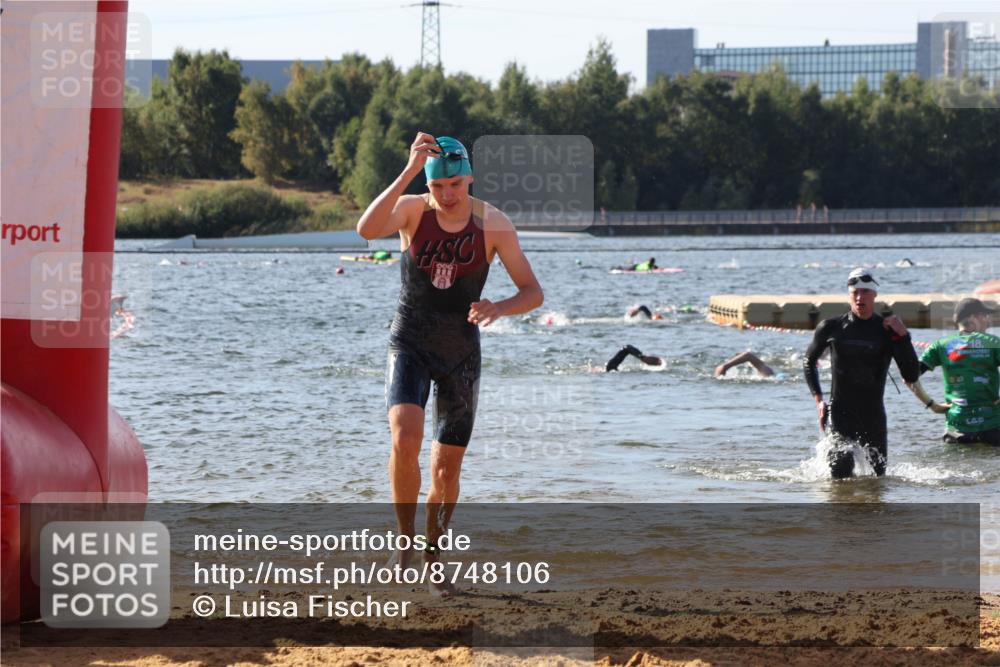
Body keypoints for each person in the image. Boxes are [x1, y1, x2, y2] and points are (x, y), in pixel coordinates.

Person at [356, 132, 543, 596]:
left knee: (446, 470)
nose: (446, 195)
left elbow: (533, 292)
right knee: (405, 438)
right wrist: (408, 172)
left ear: (470, 180)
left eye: (455, 185)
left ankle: (433, 557)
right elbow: (365, 229)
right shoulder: (413, 209)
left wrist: (498, 307)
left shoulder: (494, 224)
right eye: (439, 187)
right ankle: (403, 542)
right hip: (410, 341)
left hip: (460, 351)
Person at [803, 268, 921, 478]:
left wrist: (904, 336)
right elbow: (808, 362)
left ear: (875, 294)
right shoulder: (831, 327)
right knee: (840, 471)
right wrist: (819, 400)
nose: (859, 297)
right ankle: (840, 511)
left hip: (872, 415)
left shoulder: (887, 330)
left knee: (878, 478)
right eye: (854, 292)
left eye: (865, 292)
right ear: (849, 295)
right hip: (840, 413)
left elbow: (912, 375)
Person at [907, 298, 999, 445]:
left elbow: (909, 376)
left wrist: (932, 405)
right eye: (985, 316)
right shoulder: (993, 343)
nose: (988, 322)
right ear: (974, 317)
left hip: (956, 429)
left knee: (956, 466)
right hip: (993, 426)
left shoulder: (940, 346)